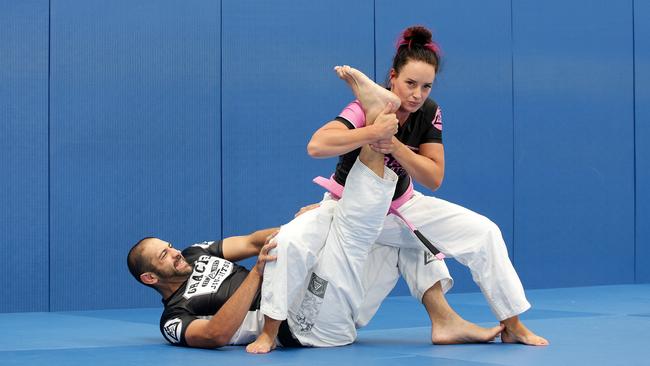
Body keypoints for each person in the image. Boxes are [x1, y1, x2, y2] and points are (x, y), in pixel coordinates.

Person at [127, 123, 487, 352]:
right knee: (367, 226)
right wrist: (257, 275)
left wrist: (313, 221)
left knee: (400, 232)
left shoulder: (196, 253)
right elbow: (215, 336)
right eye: (164, 256)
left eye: (169, 245)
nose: (174, 252)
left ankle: (444, 320)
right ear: (150, 278)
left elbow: (254, 243)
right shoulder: (174, 317)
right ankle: (373, 141)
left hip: (322, 296)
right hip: (299, 322)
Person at [305, 25, 548, 346]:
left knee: (483, 231)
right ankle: (445, 321)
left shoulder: (429, 112)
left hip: (402, 206)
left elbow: (433, 176)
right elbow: (317, 145)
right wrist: (373, 132)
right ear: (392, 77)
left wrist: (394, 146)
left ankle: (510, 324)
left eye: (426, 86)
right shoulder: (366, 106)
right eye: (409, 84)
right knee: (352, 316)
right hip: (353, 212)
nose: (417, 94)